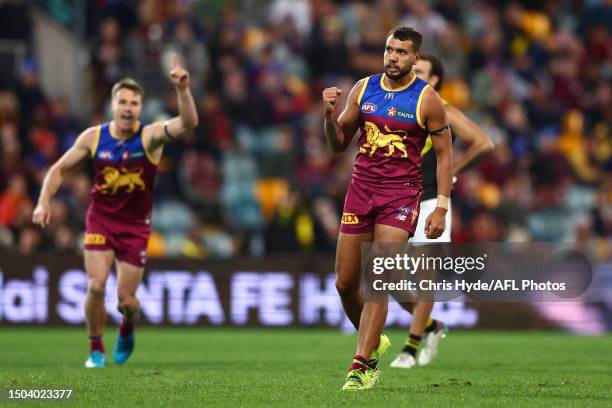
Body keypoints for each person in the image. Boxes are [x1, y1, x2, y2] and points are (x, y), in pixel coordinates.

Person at [32, 56, 198, 368]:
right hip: (101, 220)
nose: (128, 108)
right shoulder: (94, 137)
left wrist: (183, 90)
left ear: (140, 107)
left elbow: (188, 123)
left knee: (127, 302)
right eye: (122, 101)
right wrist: (43, 202)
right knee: (95, 285)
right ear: (113, 104)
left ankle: (128, 326)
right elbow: (58, 169)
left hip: (136, 226)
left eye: (134, 103)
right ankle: (96, 348)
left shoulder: (150, 137)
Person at [322, 26, 453, 391]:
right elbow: (337, 144)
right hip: (360, 191)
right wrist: (328, 116)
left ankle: (363, 364)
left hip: (401, 195)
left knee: (378, 277)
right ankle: (374, 339)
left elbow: (444, 157)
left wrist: (440, 207)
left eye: (400, 52)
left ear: (415, 58)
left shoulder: (427, 100)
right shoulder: (363, 89)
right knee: (346, 283)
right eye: (388, 49)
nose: (392, 57)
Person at [390, 54, 494, 369]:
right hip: (397, 201)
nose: (412, 74)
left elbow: (484, 143)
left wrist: (453, 172)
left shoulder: (445, 110)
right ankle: (433, 325)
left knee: (424, 277)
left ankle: (410, 347)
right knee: (384, 274)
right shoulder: (401, 105)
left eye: (420, 71)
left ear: (434, 80)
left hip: (430, 202)